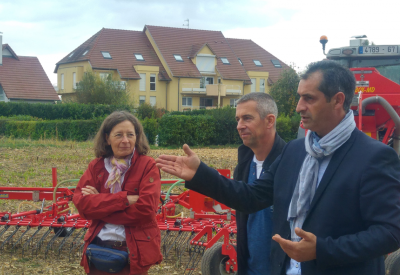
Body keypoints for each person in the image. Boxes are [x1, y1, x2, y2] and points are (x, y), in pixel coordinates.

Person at [156, 60, 400, 275]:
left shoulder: (373, 157)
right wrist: (200, 173)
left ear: (338, 100)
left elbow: (390, 232)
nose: (298, 107)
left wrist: (322, 250)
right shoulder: (295, 151)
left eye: (309, 98)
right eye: (299, 97)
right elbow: (251, 198)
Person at [71, 111, 161, 275]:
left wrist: (100, 206)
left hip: (133, 252)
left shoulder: (147, 166)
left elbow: (146, 209)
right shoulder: (97, 167)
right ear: (107, 138)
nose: (125, 140)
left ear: (137, 137)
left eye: (130, 135)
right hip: (98, 248)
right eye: (119, 135)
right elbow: (82, 205)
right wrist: (124, 200)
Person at [232, 92, 286, 275]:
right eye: (238, 119)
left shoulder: (291, 165)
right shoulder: (242, 168)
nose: (240, 126)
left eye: (247, 118)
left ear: (270, 120)